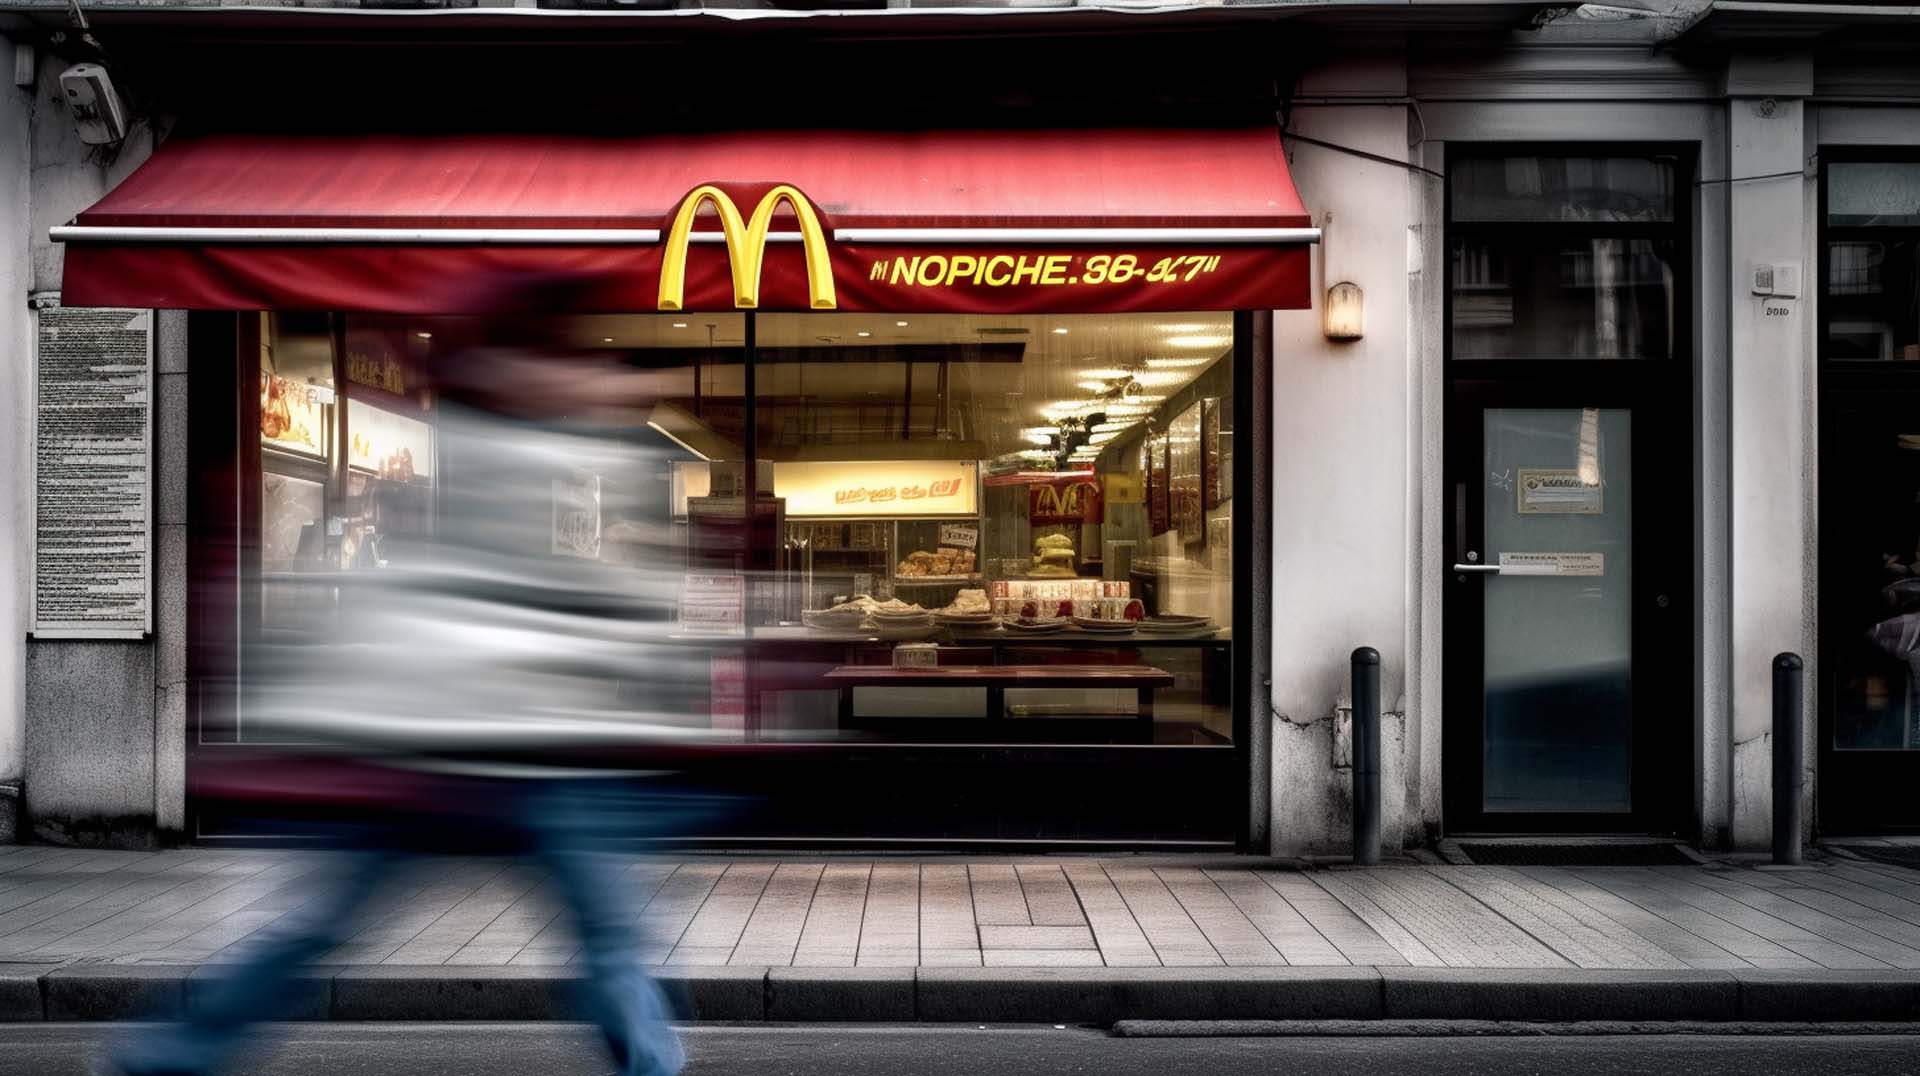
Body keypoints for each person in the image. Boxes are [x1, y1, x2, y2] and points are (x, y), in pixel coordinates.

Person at [111, 292, 731, 1076]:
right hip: (486, 746)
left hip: (435, 744)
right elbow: (590, 590)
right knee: (607, 936)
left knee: (318, 931)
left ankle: (167, 1057)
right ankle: (168, 1057)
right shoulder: (517, 454)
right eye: (564, 359)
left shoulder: (486, 442)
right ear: (522, 365)